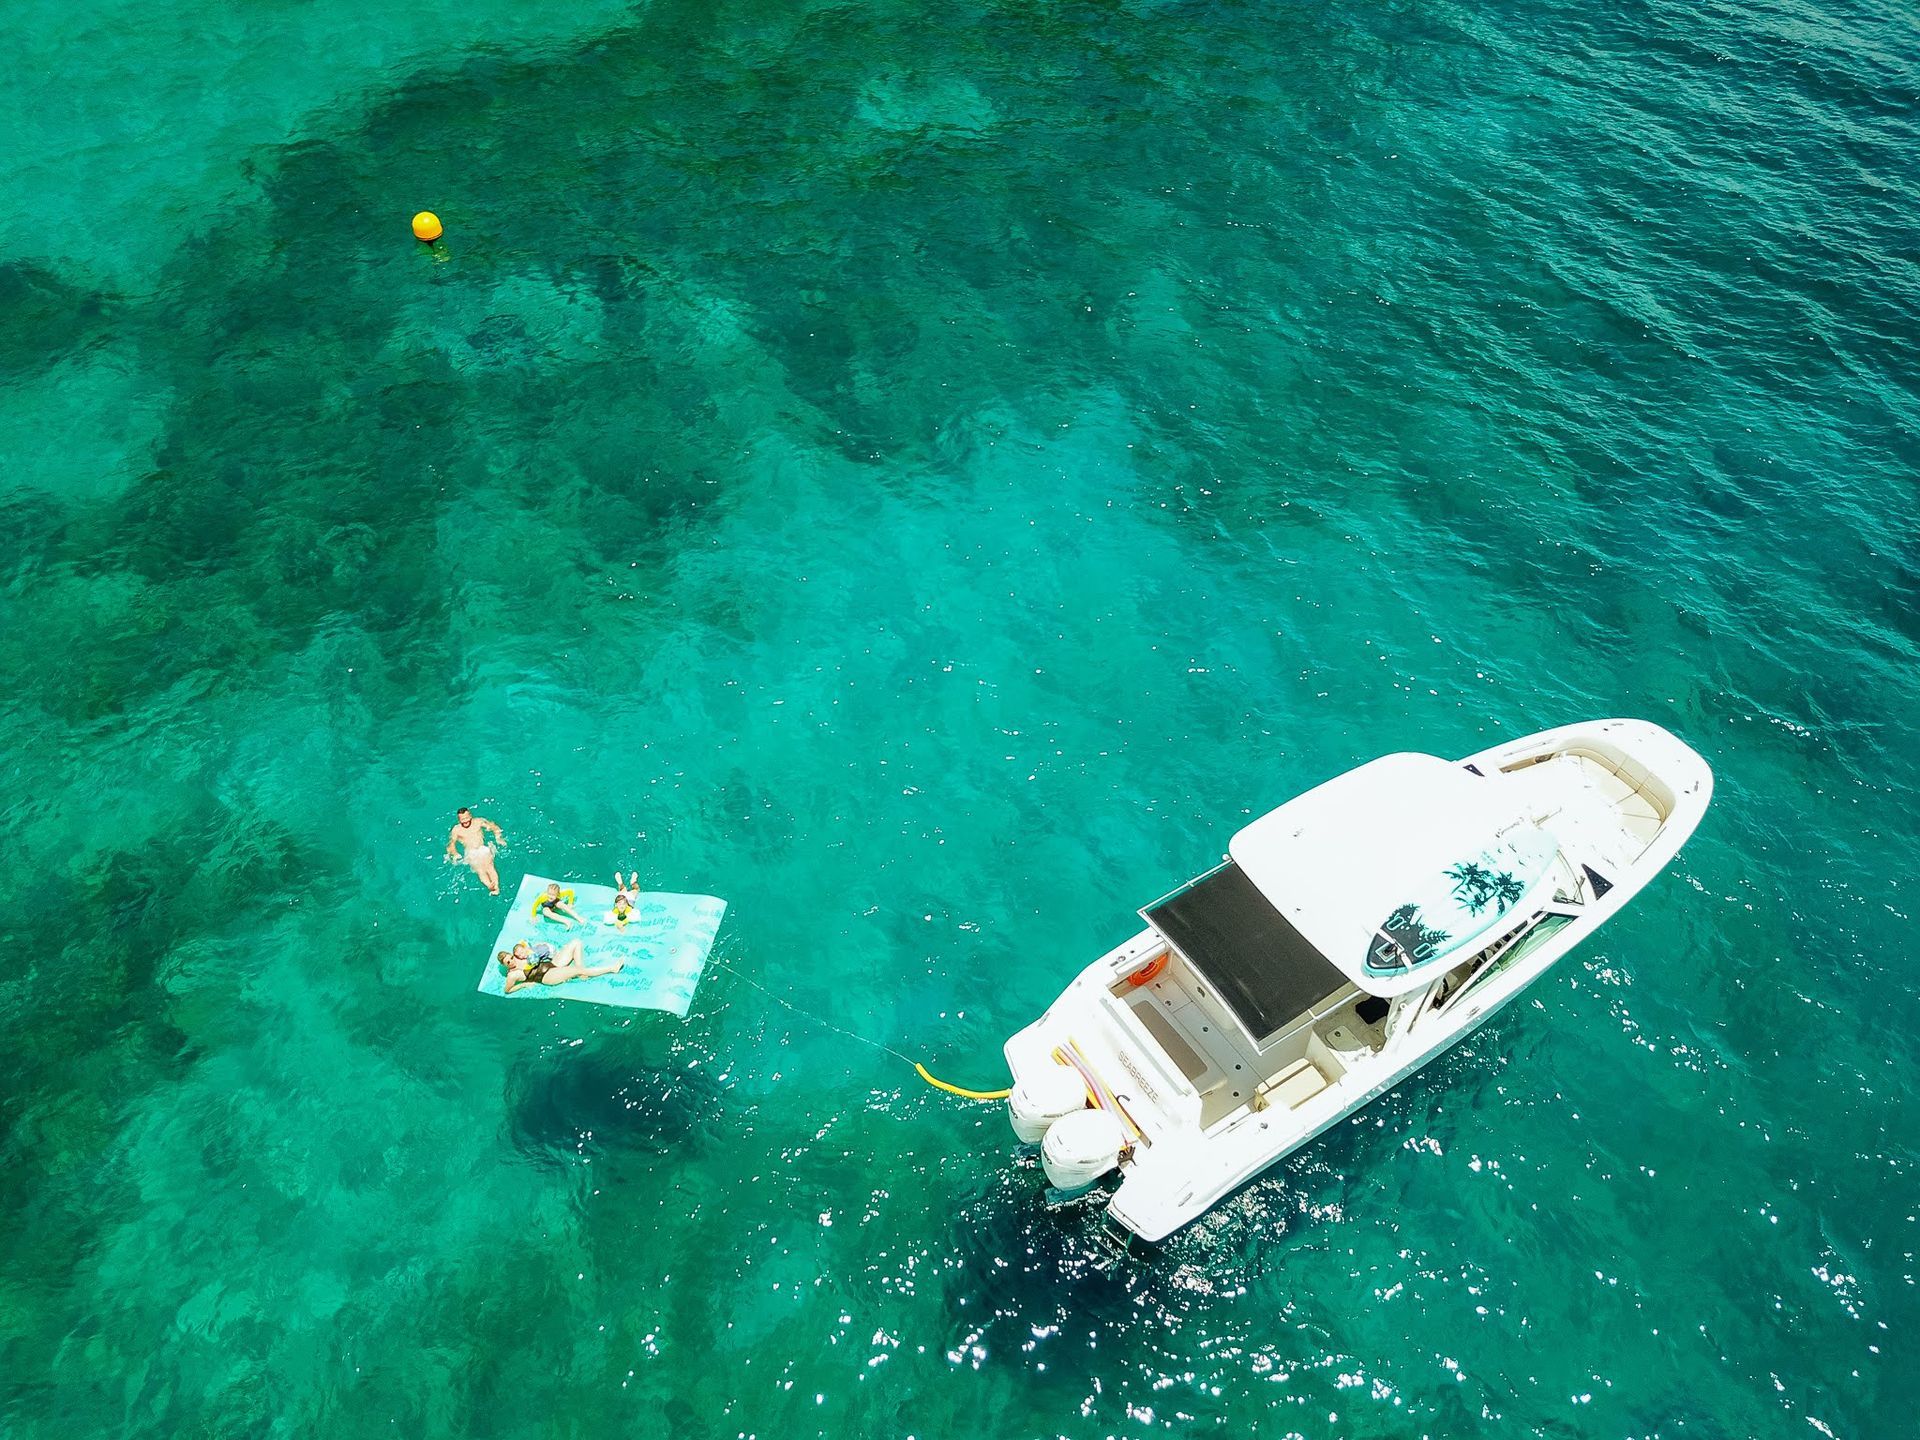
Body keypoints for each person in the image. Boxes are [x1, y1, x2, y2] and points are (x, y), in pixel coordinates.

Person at [500, 938, 624, 995]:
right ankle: (612, 969)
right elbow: (507, 990)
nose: (512, 961)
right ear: (505, 965)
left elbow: (525, 944)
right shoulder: (512, 975)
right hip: (546, 976)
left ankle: (582, 974)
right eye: (508, 962)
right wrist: (524, 984)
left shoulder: (518, 955)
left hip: (551, 964)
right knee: (577, 969)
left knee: (576, 942)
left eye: (511, 957)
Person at [446, 807, 505, 896]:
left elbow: (493, 827)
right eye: (462, 819)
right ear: (459, 820)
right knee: (480, 870)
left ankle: (496, 887)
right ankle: (489, 886)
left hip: (482, 849)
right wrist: (455, 854)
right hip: (471, 853)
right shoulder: (456, 829)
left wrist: (498, 837)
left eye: (466, 818)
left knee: (490, 867)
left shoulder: (478, 822)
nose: (465, 821)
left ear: (470, 816)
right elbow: (451, 844)